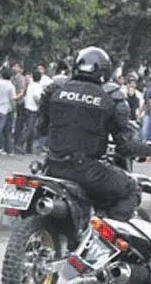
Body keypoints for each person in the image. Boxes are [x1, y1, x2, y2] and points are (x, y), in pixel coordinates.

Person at [38, 46, 149, 219]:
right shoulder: (111, 97)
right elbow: (126, 147)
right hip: (86, 170)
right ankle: (103, 238)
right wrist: (147, 148)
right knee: (131, 189)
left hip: (51, 165)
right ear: (105, 71)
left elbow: (41, 128)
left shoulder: (56, 89)